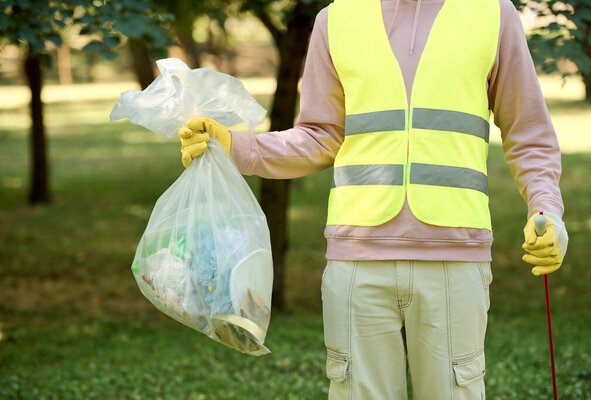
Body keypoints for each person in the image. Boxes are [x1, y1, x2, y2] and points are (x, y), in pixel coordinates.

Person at [177, 0, 569, 398]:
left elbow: (529, 134)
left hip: (455, 258)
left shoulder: (492, 14)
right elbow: (319, 135)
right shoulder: (337, 19)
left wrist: (546, 210)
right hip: (357, 260)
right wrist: (235, 146)